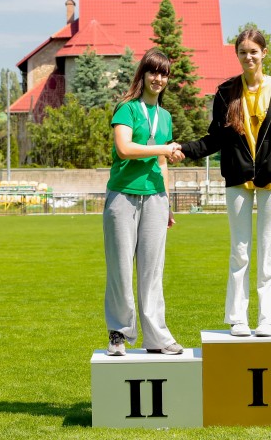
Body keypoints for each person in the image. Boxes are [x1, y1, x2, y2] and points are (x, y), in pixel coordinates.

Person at [172, 29, 271, 337]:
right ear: (237, 55)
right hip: (237, 181)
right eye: (243, 52)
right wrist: (184, 149)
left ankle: (269, 318)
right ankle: (238, 318)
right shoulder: (226, 92)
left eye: (254, 51)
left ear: (264, 53)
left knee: (268, 250)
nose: (249, 56)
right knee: (239, 251)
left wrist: (267, 171)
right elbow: (216, 137)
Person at [103, 48, 184, 355]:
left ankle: (156, 336)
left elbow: (162, 164)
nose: (158, 78)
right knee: (121, 268)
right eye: (153, 71)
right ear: (143, 74)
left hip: (155, 199)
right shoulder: (126, 108)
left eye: (164, 73)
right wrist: (162, 149)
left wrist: (167, 203)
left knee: (152, 271)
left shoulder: (165, 117)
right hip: (122, 196)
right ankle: (118, 334)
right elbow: (124, 148)